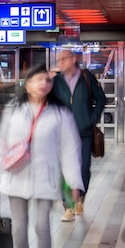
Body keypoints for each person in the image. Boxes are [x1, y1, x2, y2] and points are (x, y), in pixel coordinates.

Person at [0, 65, 84, 248]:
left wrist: (74, 183)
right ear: (27, 84)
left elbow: (70, 149)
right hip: (16, 176)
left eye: (47, 80)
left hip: (45, 178)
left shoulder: (60, 113)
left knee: (42, 227)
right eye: (38, 79)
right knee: (19, 228)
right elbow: (0, 143)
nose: (44, 84)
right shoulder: (14, 109)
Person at [50, 49, 106, 221]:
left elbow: (101, 99)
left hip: (84, 131)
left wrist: (92, 118)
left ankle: (80, 197)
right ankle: (68, 206)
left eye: (64, 59)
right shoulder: (56, 81)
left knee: (83, 167)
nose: (61, 62)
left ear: (73, 59)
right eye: (58, 60)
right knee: (63, 169)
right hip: (62, 133)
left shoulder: (86, 77)